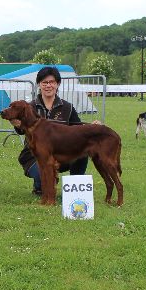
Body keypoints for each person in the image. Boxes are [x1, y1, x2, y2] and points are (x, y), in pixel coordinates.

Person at [13, 66, 90, 194]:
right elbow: (21, 131)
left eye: (52, 82)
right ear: (39, 84)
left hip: (61, 153)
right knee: (42, 177)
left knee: (82, 151)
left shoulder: (67, 107)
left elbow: (78, 129)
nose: (48, 86)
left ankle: (75, 188)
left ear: (58, 84)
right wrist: (18, 124)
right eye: (44, 82)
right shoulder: (29, 107)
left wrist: (92, 126)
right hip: (34, 156)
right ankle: (40, 185)